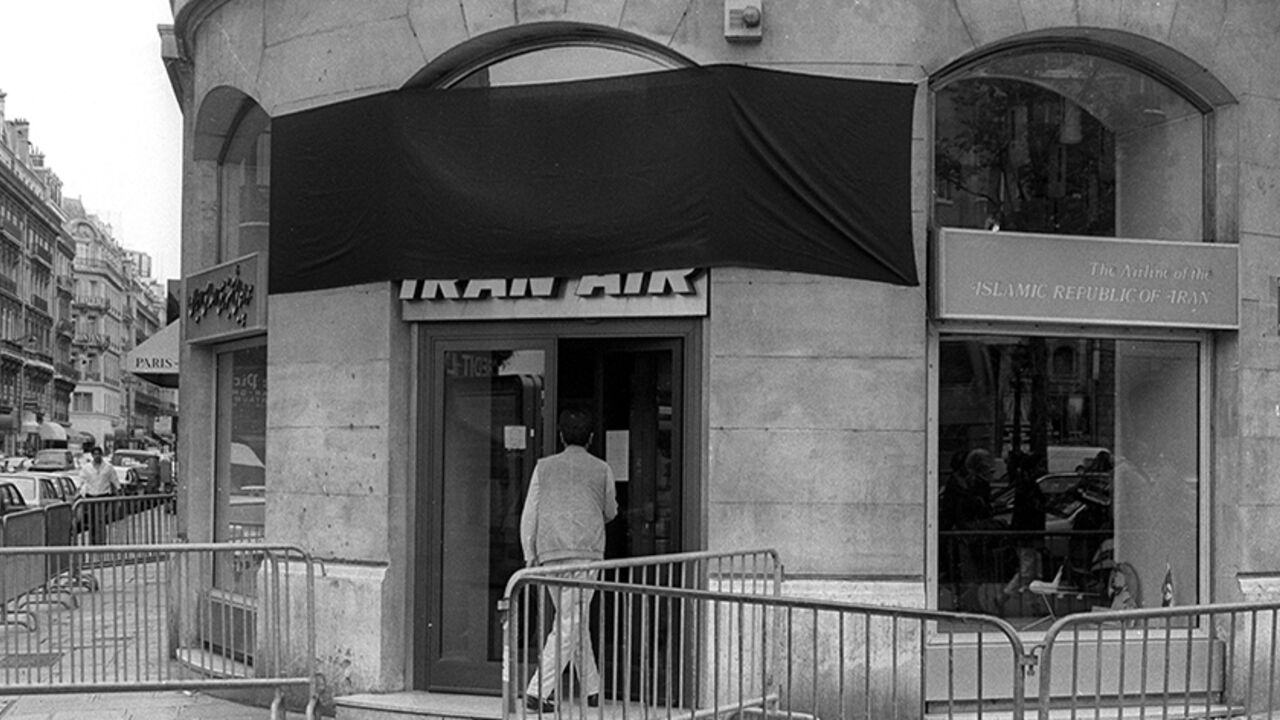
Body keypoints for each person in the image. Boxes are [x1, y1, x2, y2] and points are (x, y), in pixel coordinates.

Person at [520, 408, 618, 713]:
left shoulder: (543, 468)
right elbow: (611, 510)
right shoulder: (602, 469)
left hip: (551, 555)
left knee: (573, 621)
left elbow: (529, 514)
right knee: (570, 621)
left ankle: (591, 688)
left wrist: (529, 555)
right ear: (591, 438)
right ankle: (538, 690)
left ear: (561, 436)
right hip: (587, 554)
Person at [78, 446, 120, 544]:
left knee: (101, 519)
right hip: (91, 496)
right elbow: (81, 481)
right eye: (95, 454)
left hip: (103, 495)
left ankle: (101, 540)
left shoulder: (108, 467)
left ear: (101, 455)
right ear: (92, 455)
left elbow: (115, 480)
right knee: (92, 520)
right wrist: (80, 492)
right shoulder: (86, 468)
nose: (97, 456)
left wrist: (118, 492)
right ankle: (92, 540)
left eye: (98, 454)